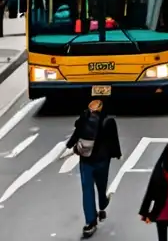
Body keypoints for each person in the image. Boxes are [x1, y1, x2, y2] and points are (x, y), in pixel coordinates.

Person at [65, 98, 122, 238]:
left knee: (87, 190)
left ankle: (90, 222)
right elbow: (114, 140)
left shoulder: (84, 118)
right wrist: (117, 154)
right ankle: (102, 203)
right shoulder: (108, 121)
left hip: (86, 160)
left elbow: (76, 134)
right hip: (102, 160)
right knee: (101, 186)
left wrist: (69, 145)